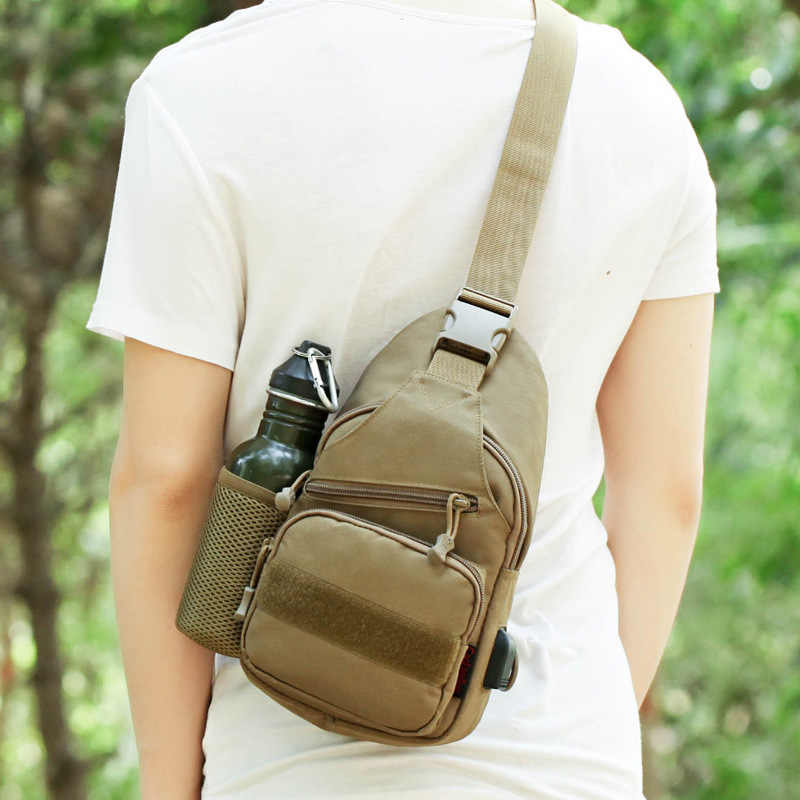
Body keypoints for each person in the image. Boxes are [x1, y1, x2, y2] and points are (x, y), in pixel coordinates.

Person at [85, 0, 720, 797]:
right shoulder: (638, 108)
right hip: (564, 756)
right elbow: (665, 496)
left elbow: (165, 481)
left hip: (289, 758)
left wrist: (170, 785)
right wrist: (583, 728)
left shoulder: (201, 90)